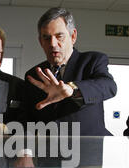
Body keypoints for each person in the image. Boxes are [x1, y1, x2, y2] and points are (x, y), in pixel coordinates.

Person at [25, 7, 117, 136]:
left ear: (73, 36)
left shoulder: (92, 61)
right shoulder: (34, 75)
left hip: (87, 151)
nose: (52, 44)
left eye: (59, 36)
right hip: (48, 153)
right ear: (40, 42)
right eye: (46, 38)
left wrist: (71, 89)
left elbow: (109, 86)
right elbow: (30, 120)